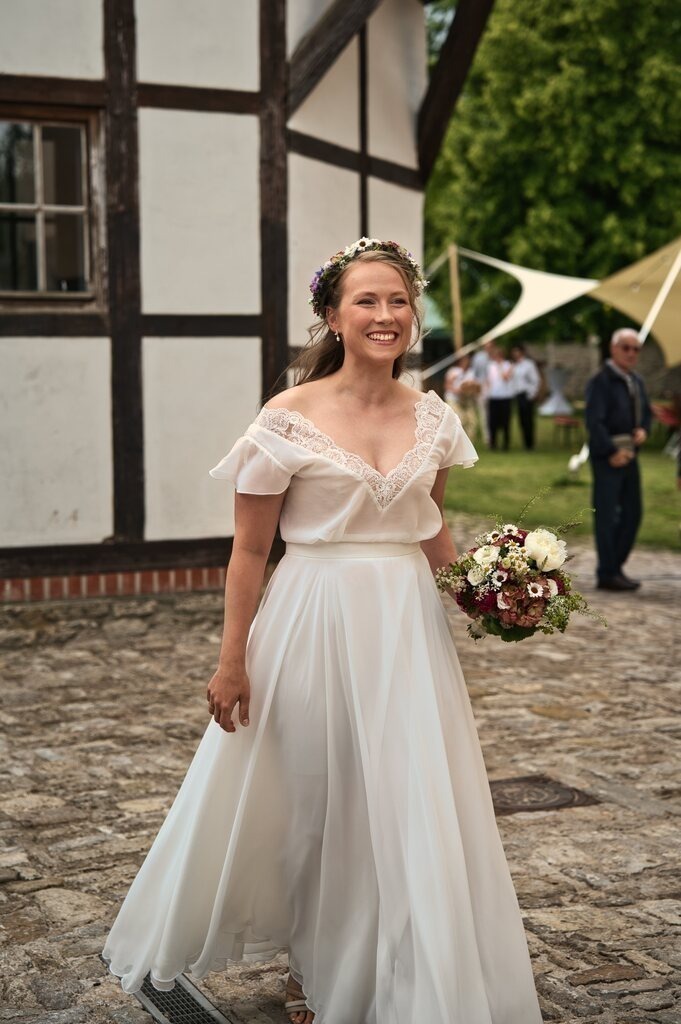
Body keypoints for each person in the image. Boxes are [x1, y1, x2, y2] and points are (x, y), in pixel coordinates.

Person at [102, 238, 544, 1024]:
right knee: (314, 800)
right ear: (334, 317)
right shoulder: (287, 417)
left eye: (398, 301)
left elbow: (431, 528)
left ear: (415, 316)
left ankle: (402, 974)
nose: (385, 315)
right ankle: (314, 965)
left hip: (405, 629)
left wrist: (485, 593)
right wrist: (230, 660)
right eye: (367, 301)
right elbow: (247, 549)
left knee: (405, 801)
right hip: (310, 616)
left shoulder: (436, 418)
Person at [585, 328, 651, 592]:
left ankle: (615, 566)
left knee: (633, 513)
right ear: (613, 348)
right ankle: (607, 572)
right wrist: (611, 452)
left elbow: (645, 413)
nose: (631, 353)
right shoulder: (601, 380)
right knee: (608, 515)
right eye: (626, 347)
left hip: (631, 454)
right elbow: (594, 422)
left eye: (636, 349)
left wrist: (644, 429)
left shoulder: (636, 380)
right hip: (608, 456)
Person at [511, 343, 541, 450]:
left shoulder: (529, 364)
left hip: (526, 395)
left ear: (522, 352)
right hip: (518, 395)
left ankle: (530, 443)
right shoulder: (514, 365)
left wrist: (532, 394)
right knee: (522, 420)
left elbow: (535, 380)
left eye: (517, 351)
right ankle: (525, 442)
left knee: (528, 420)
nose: (515, 354)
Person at [485, 343, 514, 450]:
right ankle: (493, 443)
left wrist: (501, 366)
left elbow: (506, 377)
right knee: (492, 422)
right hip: (493, 396)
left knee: (505, 421)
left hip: (505, 397)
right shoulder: (490, 366)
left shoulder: (508, 364)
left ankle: (505, 444)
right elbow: (488, 380)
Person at [443, 352, 479, 439]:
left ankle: (469, 442)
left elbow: (474, 386)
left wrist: (471, 390)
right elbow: (447, 385)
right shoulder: (453, 371)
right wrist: (457, 390)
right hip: (453, 399)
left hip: (466, 399)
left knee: (472, 421)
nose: (466, 362)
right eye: (464, 360)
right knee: (459, 420)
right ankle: (456, 441)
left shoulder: (471, 372)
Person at [471, 338, 492, 444]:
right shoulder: (478, 357)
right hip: (482, 387)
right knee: (483, 413)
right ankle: (487, 437)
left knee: (491, 413)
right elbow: (474, 374)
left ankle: (492, 435)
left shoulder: (494, 356)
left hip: (494, 387)